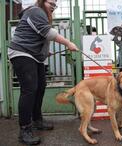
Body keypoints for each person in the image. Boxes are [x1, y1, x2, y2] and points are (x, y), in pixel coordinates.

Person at [8, 0, 79, 145]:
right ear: (41, 1)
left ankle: (37, 120)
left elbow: (40, 37)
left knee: (40, 86)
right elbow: (49, 33)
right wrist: (68, 43)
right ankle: (25, 130)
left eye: (55, 5)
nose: (52, 7)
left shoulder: (42, 14)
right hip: (21, 52)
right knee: (29, 89)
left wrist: (46, 52)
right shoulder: (35, 11)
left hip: (34, 55)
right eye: (50, 3)